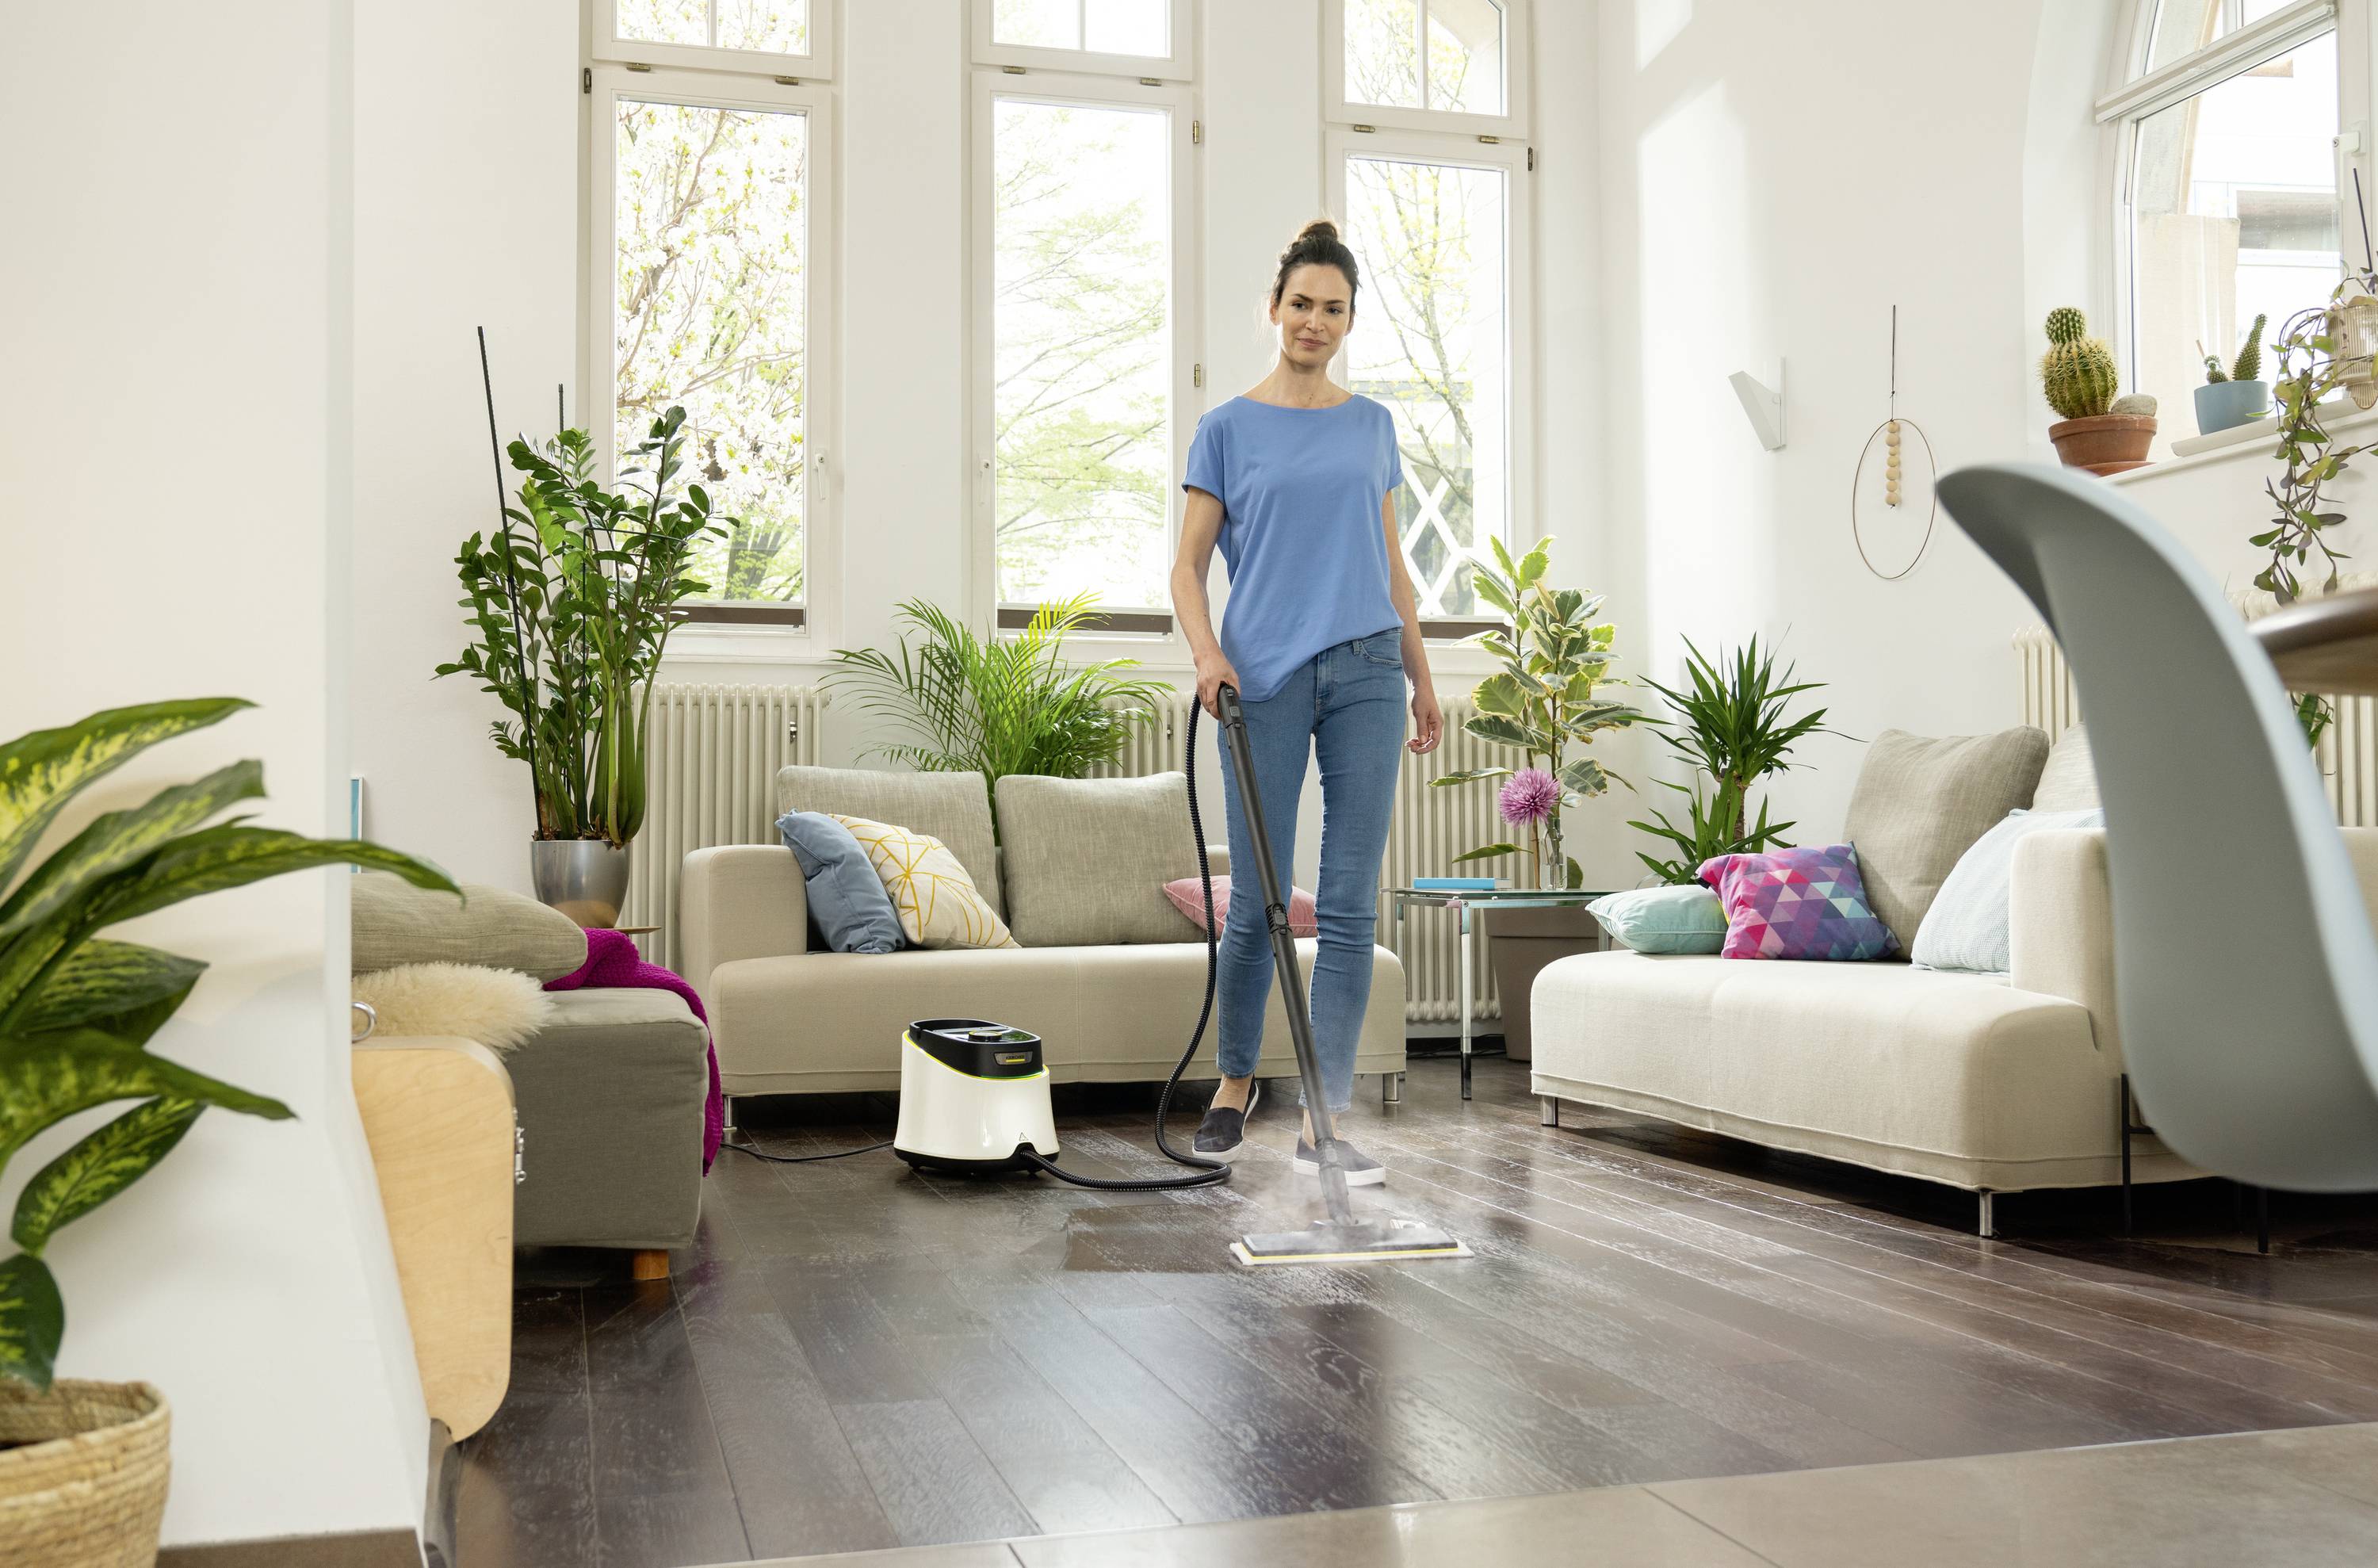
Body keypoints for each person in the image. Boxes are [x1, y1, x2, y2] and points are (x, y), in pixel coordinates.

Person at [1172, 217, 1443, 1185]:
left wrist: (1421, 671)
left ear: (1350, 319)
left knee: (1346, 904)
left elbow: (1394, 566)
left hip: (1368, 667)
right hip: (1265, 679)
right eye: (1301, 304)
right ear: (1274, 309)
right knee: (1255, 901)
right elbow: (1187, 568)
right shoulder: (1229, 428)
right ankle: (1234, 1086)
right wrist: (1208, 656)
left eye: (1333, 308)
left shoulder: (1371, 425)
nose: (1314, 321)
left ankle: (1323, 1117)